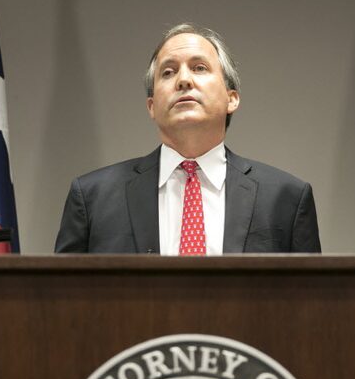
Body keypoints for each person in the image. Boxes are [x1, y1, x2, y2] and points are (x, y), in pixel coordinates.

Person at [54, 23, 321, 254]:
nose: (183, 80)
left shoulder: (287, 199)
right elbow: (61, 304)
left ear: (232, 98)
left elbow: (311, 307)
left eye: (199, 68)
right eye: (168, 72)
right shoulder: (92, 198)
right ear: (151, 106)